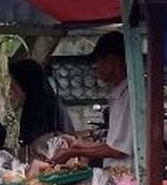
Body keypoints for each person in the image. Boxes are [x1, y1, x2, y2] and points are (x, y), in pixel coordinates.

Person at [50, 32, 133, 167]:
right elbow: (113, 145)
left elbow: (117, 150)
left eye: (98, 63)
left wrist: (72, 152)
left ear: (112, 60)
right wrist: (79, 146)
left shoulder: (129, 95)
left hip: (128, 179)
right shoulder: (119, 93)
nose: (96, 69)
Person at [8, 59, 74, 155]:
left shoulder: (52, 106)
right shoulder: (29, 107)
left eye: (14, 82)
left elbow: (65, 140)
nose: (12, 87)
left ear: (25, 82)